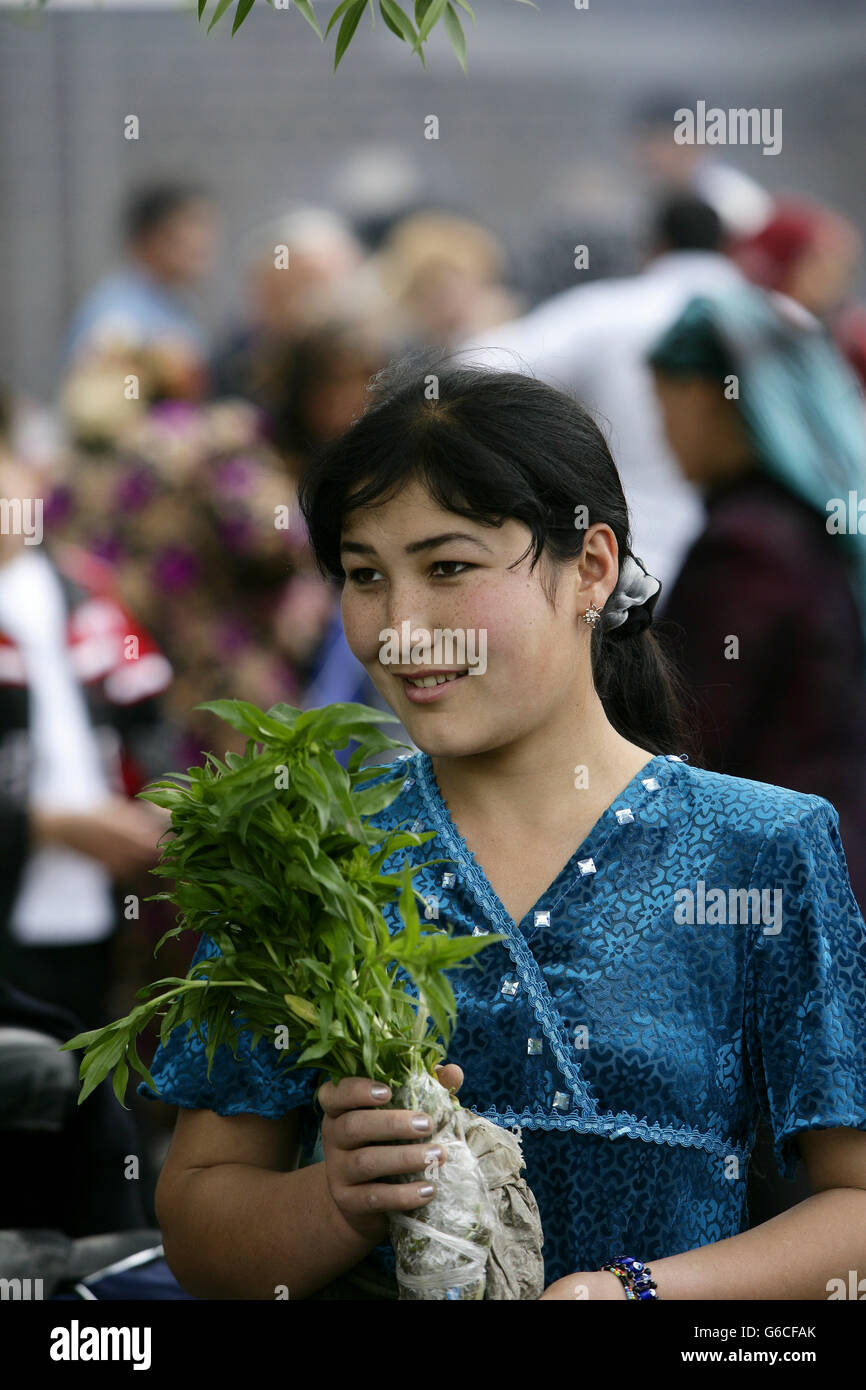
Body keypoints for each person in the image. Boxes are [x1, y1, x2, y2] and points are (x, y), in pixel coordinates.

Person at [139, 357, 866, 1300]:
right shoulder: (306, 852)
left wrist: (636, 1295)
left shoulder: (760, 847)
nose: (401, 629)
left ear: (591, 568)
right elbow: (197, 1221)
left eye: (449, 568)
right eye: (365, 575)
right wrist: (338, 1200)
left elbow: (853, 1212)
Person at [649, 283, 866, 911]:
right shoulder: (807, 527)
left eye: (666, 402)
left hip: (775, 889)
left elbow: (684, 729)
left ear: (716, 400)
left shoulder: (747, 548)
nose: (663, 429)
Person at [455, 195, 744, 594]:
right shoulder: (785, 318)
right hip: (751, 554)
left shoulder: (604, 312)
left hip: (634, 559)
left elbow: (475, 364)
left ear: (654, 246)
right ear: (728, 246)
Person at [60, 182, 219, 385]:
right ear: (148, 238)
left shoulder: (176, 304)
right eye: (193, 225)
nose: (203, 241)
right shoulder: (118, 313)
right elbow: (97, 402)